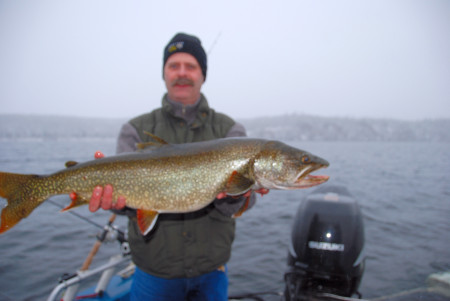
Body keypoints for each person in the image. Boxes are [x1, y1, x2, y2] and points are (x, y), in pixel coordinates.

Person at [89, 32, 258, 301]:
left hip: (212, 270)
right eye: (173, 66)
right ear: (164, 73)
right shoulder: (135, 129)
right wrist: (118, 204)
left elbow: (241, 206)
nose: (182, 73)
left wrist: (240, 195)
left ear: (203, 74)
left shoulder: (230, 132)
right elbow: (126, 206)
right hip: (153, 272)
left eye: (190, 66)